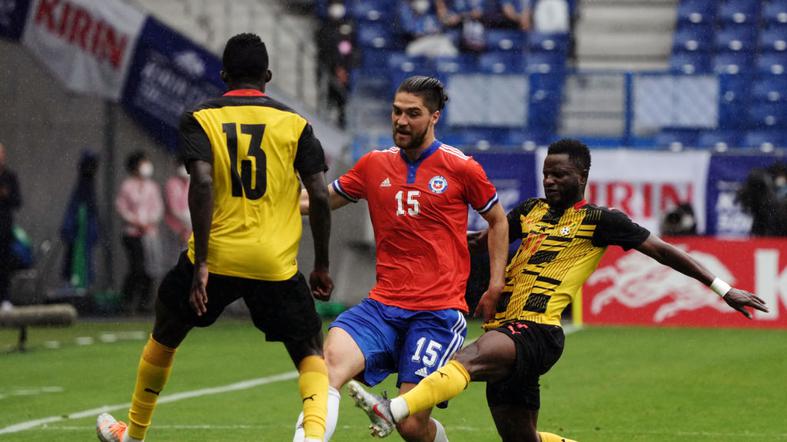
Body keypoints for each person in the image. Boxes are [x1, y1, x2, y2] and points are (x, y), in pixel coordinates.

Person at [348, 139, 769, 442]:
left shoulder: (600, 220)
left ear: (582, 176)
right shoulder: (529, 211)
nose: (549, 180)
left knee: (468, 358)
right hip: (506, 328)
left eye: (559, 174)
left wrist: (722, 287)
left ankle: (394, 409)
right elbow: (484, 239)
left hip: (537, 330)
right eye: (546, 173)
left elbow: (661, 251)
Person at [96, 33, 334, 442]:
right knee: (310, 349)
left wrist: (202, 262)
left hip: (218, 256)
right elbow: (319, 195)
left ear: (223, 76)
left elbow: (202, 183)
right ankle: (312, 437)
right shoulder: (296, 125)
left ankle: (133, 434)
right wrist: (322, 264)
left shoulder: (200, 118)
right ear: (268, 76)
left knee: (166, 330)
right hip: (274, 263)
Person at [294, 75, 509, 442]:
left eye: (413, 114)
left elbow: (498, 220)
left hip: (437, 312)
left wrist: (495, 283)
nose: (401, 121)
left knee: (410, 425)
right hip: (382, 307)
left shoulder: (460, 167)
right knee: (325, 367)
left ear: (435, 117)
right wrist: (261, 197)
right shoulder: (374, 165)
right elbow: (314, 203)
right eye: (396, 112)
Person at [115, 151, 164, 315]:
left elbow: (158, 209)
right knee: (137, 267)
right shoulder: (127, 186)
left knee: (151, 269)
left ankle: (146, 302)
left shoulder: (152, 187)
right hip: (132, 234)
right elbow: (121, 208)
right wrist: (135, 221)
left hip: (149, 233)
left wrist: (149, 222)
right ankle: (127, 301)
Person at [60, 150, 100, 290]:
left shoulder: (88, 185)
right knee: (73, 257)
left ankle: (82, 283)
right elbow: (75, 207)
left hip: (85, 229)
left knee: (84, 258)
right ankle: (72, 282)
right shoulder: (83, 186)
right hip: (77, 229)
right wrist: (69, 227)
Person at [0, 143, 21, 312]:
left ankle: (5, 299)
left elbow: (18, 201)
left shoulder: (10, 177)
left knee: (5, 264)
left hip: (5, 228)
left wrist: (6, 195)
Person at [164, 159, 191, 249]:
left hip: (192, 227)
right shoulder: (171, 184)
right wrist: (185, 222)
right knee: (175, 254)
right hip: (174, 226)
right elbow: (173, 208)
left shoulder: (194, 183)